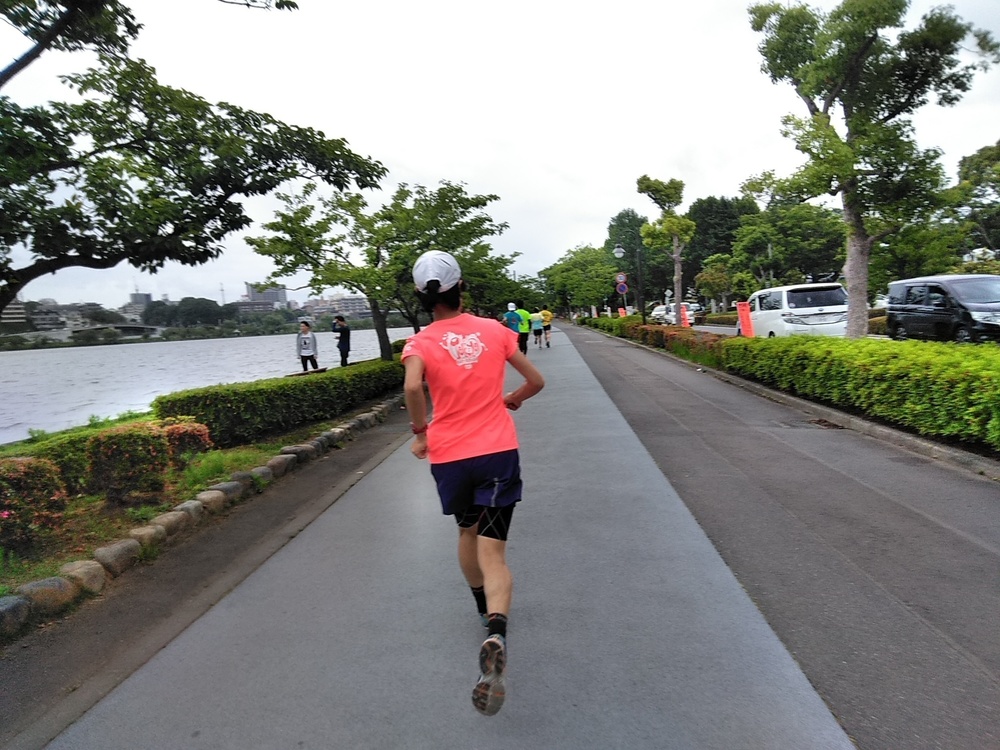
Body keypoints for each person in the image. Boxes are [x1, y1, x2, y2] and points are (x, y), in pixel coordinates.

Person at [402, 250, 544, 717]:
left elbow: (411, 388)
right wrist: (513, 399)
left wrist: (421, 434)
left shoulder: (420, 342)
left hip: (451, 458)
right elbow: (536, 380)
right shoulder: (495, 330)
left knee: (466, 531)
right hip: (497, 454)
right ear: (461, 287)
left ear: (423, 297)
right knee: (494, 548)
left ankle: (482, 609)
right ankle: (497, 631)